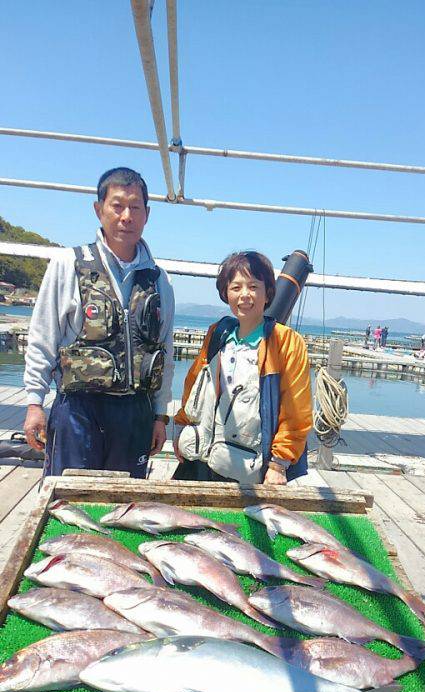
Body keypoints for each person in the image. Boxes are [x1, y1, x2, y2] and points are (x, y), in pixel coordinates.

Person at [23, 167, 175, 478]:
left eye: (135, 207)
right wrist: (34, 403)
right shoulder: (68, 264)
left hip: (135, 413)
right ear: (99, 209)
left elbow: (165, 352)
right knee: (67, 499)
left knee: (125, 505)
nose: (126, 216)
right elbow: (42, 339)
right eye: (117, 205)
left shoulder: (159, 280)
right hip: (78, 409)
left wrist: (160, 415)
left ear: (147, 214)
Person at [172, 250, 313, 486]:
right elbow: (193, 386)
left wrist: (279, 464)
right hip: (201, 457)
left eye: (253, 286)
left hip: (248, 467)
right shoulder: (217, 333)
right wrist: (181, 428)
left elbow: (296, 410)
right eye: (236, 287)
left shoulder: (286, 342)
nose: (245, 295)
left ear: (268, 292)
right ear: (225, 293)